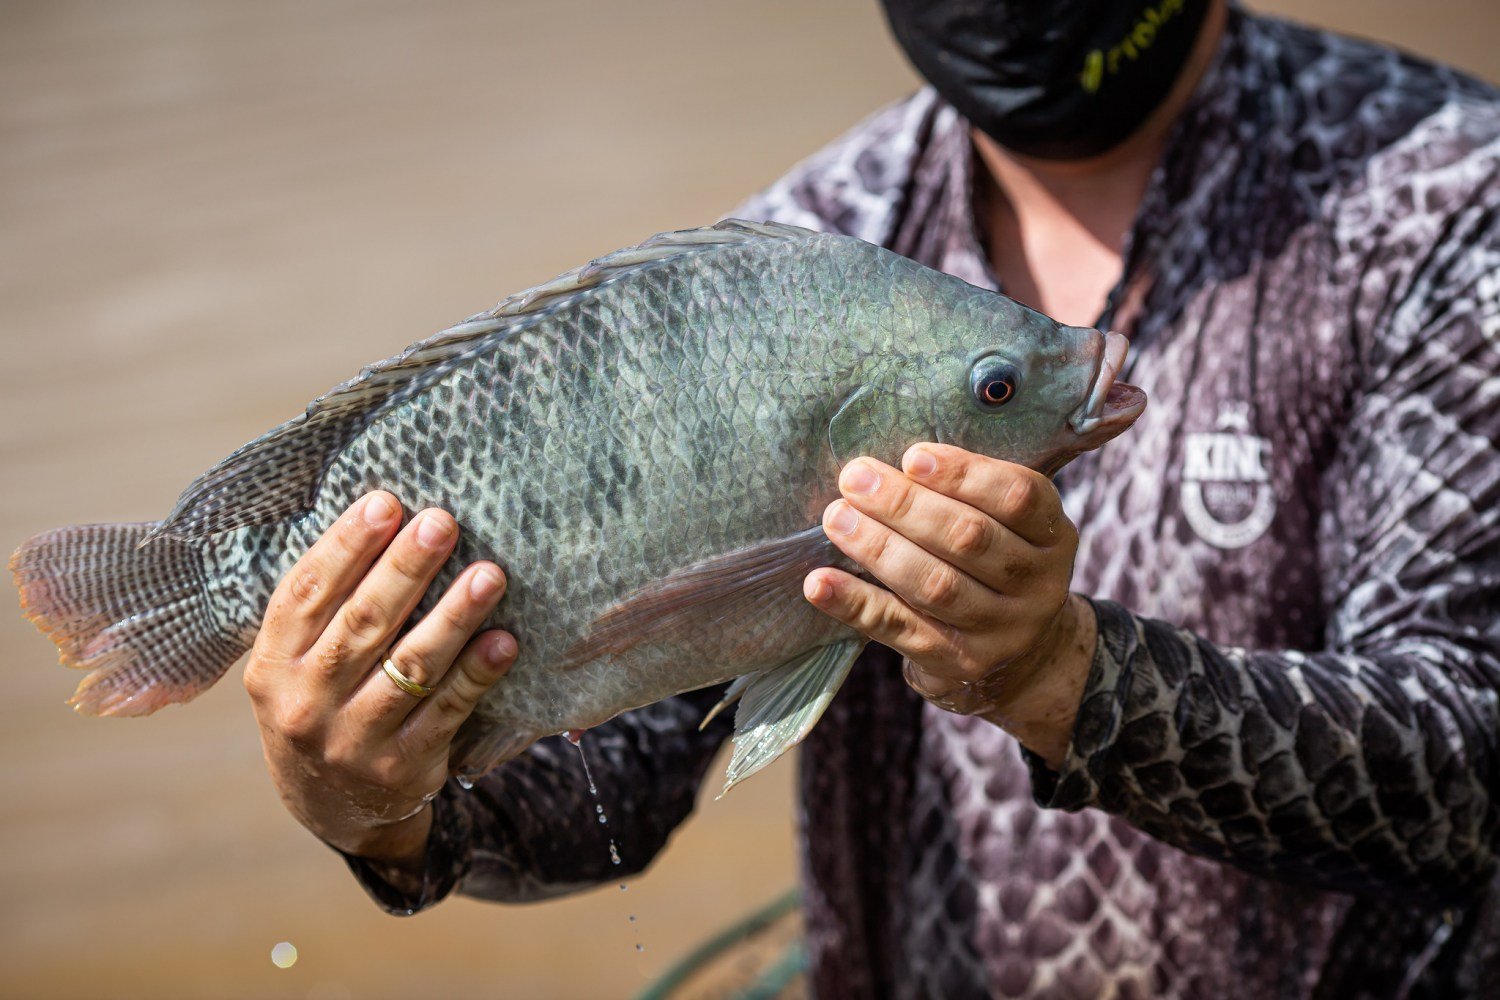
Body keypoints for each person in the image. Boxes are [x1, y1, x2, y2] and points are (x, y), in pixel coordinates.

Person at [241, 0, 1500, 994]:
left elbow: (1469, 770)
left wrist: (1071, 677)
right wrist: (381, 804)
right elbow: (616, 768)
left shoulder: (1447, 204)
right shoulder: (805, 245)